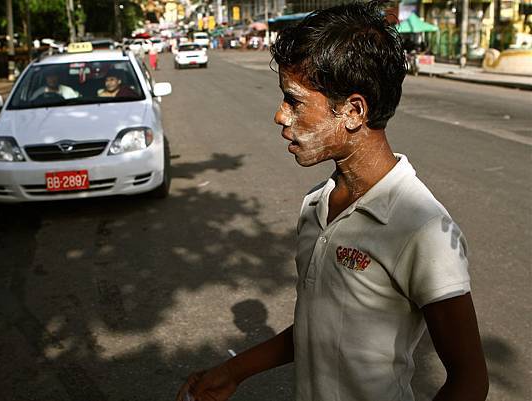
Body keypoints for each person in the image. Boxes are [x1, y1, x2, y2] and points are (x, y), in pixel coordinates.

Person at [176, 3, 488, 401]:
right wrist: (234, 371)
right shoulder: (315, 205)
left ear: (353, 112)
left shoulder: (420, 227)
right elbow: (319, 328)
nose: (279, 116)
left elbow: (470, 380)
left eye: (295, 101)